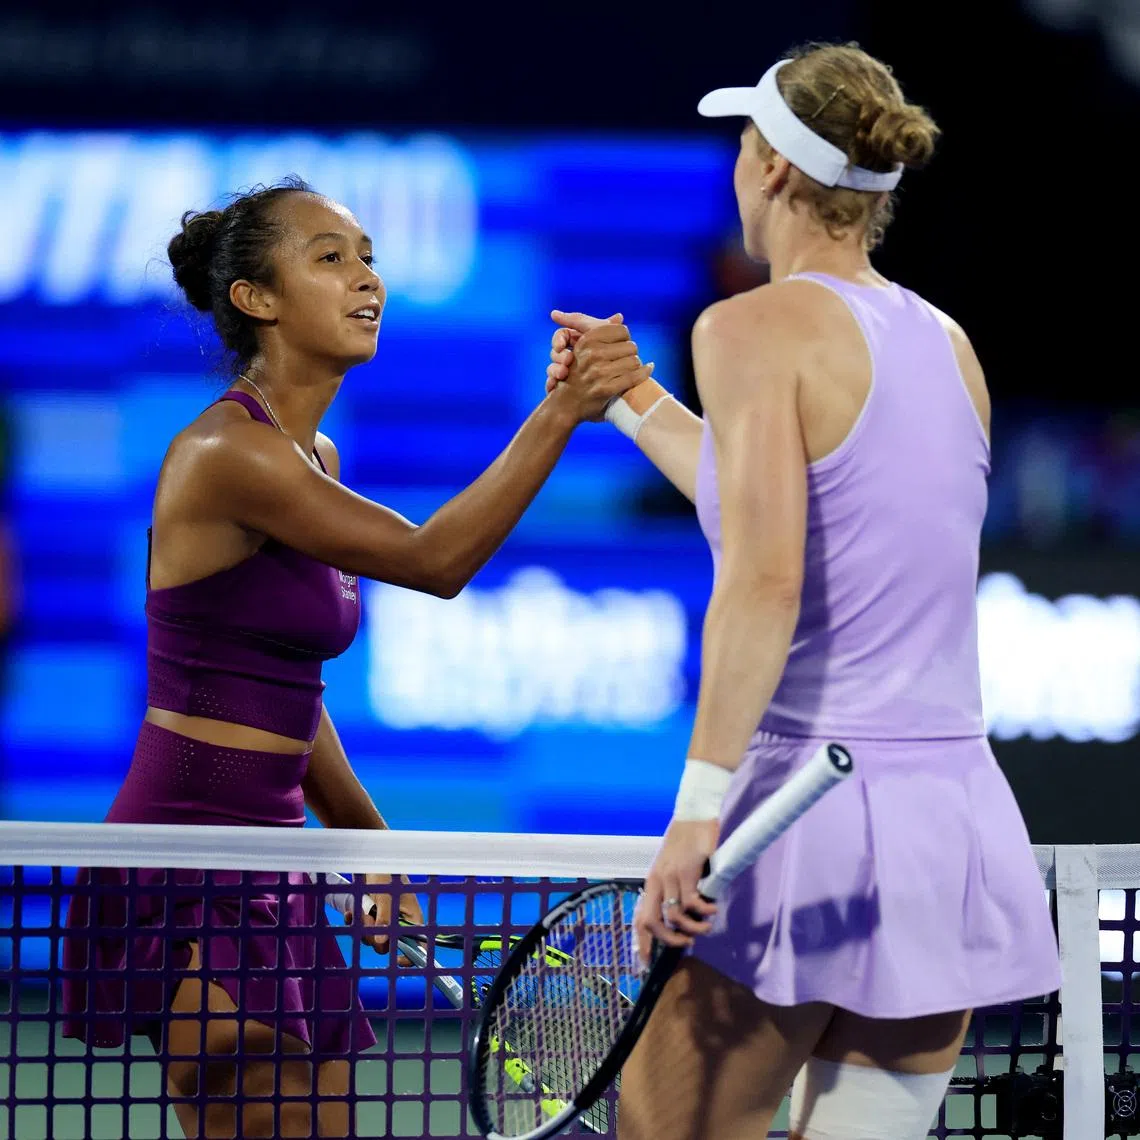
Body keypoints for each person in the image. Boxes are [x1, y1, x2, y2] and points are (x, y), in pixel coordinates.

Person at [60, 178, 650, 1140]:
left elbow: (289, 691)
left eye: (368, 255)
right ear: (257, 299)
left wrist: (365, 843)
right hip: (190, 854)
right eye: (329, 258)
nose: (367, 278)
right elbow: (435, 561)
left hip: (281, 859)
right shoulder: (225, 453)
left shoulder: (314, 457)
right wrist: (562, 411)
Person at [547, 42, 1060, 1140]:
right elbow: (787, 508)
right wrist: (634, 400)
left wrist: (696, 815)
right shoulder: (948, 343)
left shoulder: (745, 327)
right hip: (946, 830)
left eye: (744, 146)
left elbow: (766, 578)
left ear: (773, 170)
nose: (737, 167)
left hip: (802, 818)